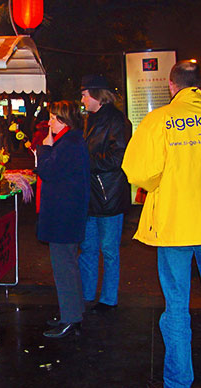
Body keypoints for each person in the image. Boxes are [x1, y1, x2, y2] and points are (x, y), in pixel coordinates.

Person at [122, 61, 201, 388]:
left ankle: (178, 381)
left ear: (171, 85)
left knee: (176, 307)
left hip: (175, 225)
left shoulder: (158, 121)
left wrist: (167, 180)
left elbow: (138, 172)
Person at [36, 100, 90, 338]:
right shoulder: (71, 141)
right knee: (68, 265)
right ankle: (72, 312)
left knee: (64, 267)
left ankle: (71, 318)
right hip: (67, 214)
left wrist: (44, 149)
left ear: (64, 120)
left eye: (53, 118)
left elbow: (48, 172)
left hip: (64, 216)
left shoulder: (68, 143)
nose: (49, 123)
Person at [78, 75, 131, 313]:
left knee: (109, 251)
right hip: (90, 196)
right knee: (87, 249)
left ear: (97, 95)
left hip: (108, 195)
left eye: (85, 94)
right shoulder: (89, 119)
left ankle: (109, 299)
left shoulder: (117, 121)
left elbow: (119, 158)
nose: (82, 98)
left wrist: (84, 161)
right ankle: (87, 294)